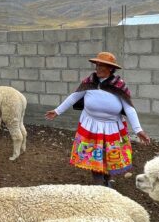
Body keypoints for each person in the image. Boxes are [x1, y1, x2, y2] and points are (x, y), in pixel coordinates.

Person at [45, 51, 150, 187]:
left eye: (102, 66)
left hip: (112, 127)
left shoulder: (119, 85)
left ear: (110, 68)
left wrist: (138, 129)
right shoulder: (89, 82)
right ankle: (99, 186)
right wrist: (57, 111)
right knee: (94, 155)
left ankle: (109, 178)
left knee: (109, 155)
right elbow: (74, 97)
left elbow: (129, 108)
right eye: (97, 65)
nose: (98, 68)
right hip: (91, 126)